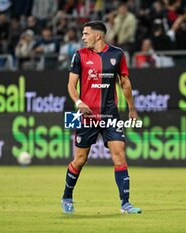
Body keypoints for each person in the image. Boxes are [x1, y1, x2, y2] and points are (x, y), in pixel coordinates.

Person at [61, 21, 142, 214]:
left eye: (86, 33)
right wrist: (79, 103)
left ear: (98, 35)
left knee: (120, 155)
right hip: (87, 115)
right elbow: (71, 85)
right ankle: (67, 196)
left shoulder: (117, 54)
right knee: (80, 159)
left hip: (110, 114)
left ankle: (125, 203)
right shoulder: (79, 55)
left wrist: (131, 109)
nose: (83, 37)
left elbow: (125, 83)